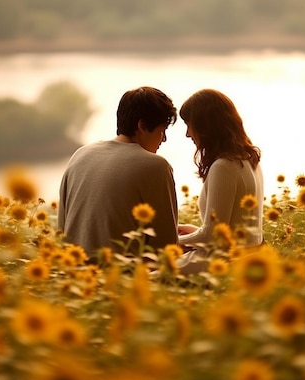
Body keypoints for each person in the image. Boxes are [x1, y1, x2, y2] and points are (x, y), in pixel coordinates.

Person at [58, 86, 179, 259]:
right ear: (142, 126)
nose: (164, 139)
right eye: (162, 130)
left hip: (72, 273)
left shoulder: (80, 154)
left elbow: (62, 227)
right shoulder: (156, 166)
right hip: (121, 278)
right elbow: (165, 245)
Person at [177, 89, 264, 273]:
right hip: (246, 258)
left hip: (220, 263)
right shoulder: (250, 160)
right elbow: (233, 228)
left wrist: (171, 242)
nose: (187, 134)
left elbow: (211, 237)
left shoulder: (223, 166)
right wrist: (194, 232)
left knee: (143, 273)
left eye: (189, 125)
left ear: (206, 127)